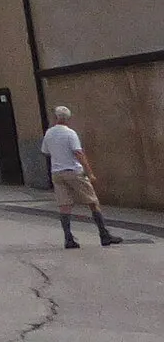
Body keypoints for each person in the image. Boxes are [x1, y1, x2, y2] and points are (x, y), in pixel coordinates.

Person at [42, 105, 122, 250]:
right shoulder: (70, 134)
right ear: (68, 118)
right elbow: (79, 153)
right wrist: (89, 172)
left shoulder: (49, 133)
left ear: (56, 118)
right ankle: (104, 234)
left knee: (64, 205)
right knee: (92, 201)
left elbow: (46, 151)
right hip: (73, 171)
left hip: (57, 173)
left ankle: (68, 238)